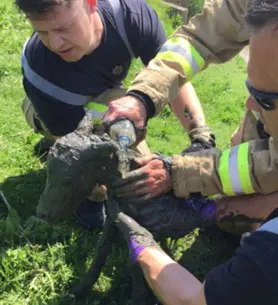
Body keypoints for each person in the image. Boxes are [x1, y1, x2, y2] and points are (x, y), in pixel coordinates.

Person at [107, 0, 278, 305]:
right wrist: (144, 95)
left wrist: (141, 242)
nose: (249, 107)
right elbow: (199, 36)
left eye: (264, 99)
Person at [101, 0, 278, 231]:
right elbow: (199, 38)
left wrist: (179, 172)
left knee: (265, 225)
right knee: (231, 216)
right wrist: (143, 95)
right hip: (265, 134)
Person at [16, 0, 215, 230]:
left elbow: (171, 78)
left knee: (119, 122)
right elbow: (77, 148)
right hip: (49, 108)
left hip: (106, 96)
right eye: (42, 32)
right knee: (123, 170)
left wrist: (200, 136)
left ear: (90, 3)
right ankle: (88, 194)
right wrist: (100, 190)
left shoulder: (131, 17)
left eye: (63, 28)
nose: (55, 43)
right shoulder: (40, 72)